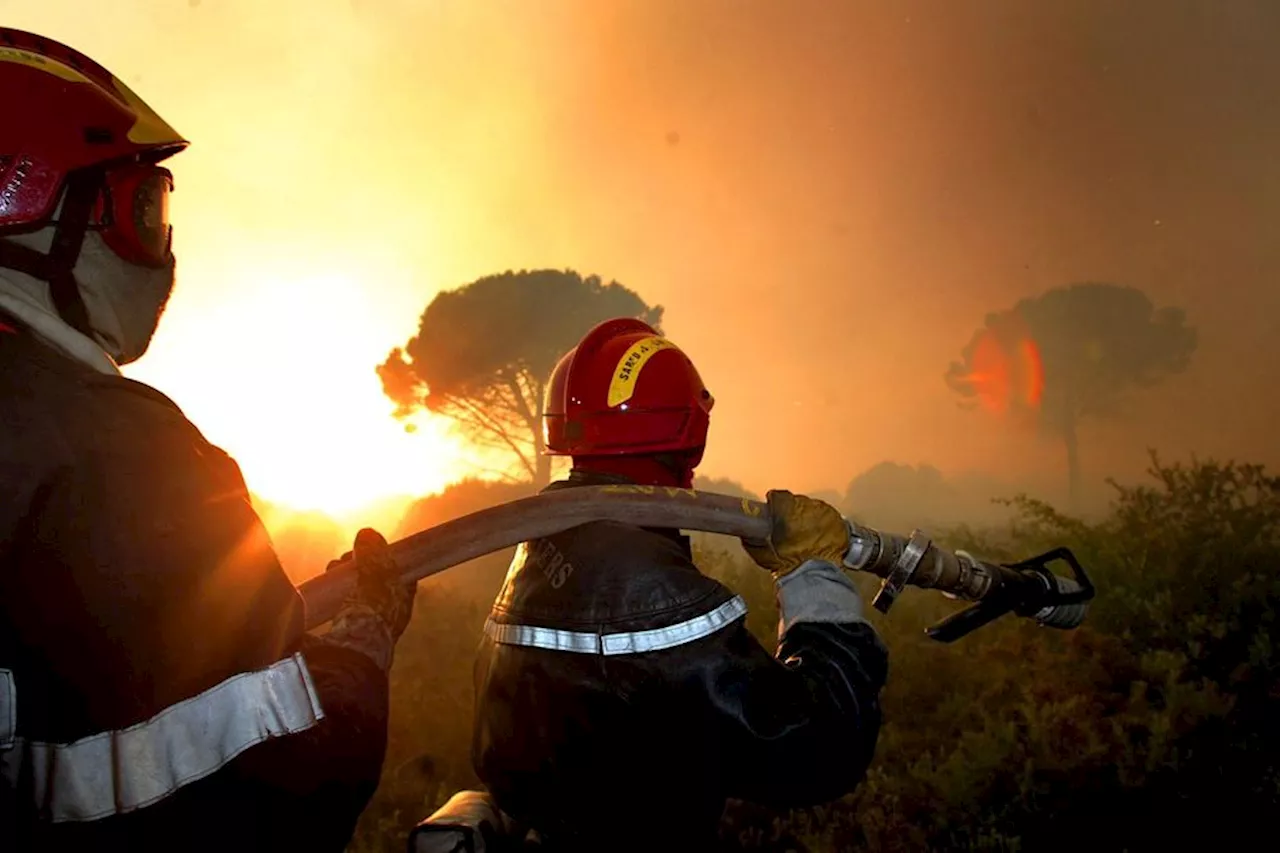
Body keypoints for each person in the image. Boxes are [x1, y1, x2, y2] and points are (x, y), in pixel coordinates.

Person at [0, 29, 415, 851]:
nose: (165, 252)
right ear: (37, 215)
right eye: (142, 211)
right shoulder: (129, 455)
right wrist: (365, 642)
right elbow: (285, 786)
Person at [468, 317, 889, 852]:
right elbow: (820, 747)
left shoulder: (536, 550)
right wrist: (811, 573)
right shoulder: (654, 591)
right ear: (691, 435)